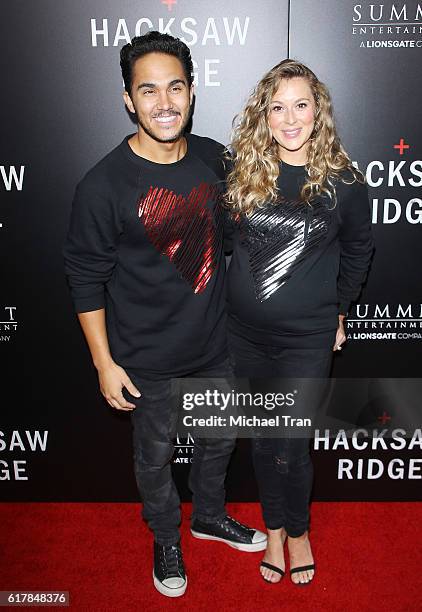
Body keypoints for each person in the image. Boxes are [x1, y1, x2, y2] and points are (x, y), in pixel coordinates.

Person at [63, 31, 266, 599]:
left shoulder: (214, 161)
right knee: (153, 460)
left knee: (220, 440)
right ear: (128, 99)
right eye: (147, 90)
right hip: (145, 360)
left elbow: (241, 237)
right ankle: (165, 535)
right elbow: (84, 277)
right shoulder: (103, 185)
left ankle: (208, 515)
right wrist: (104, 362)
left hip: (215, 346)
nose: (163, 102)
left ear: (193, 91)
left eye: (174, 87)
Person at [225, 59, 374, 585]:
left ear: (319, 111)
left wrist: (340, 310)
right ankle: (272, 529)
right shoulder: (241, 171)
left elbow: (359, 249)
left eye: (302, 105)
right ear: (264, 115)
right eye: (278, 107)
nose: (291, 119)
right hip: (243, 336)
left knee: (293, 441)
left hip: (306, 339)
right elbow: (222, 244)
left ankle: (299, 530)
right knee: (263, 440)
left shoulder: (344, 182)